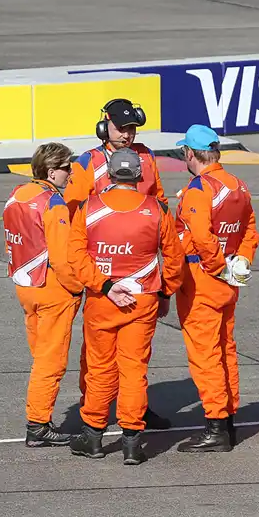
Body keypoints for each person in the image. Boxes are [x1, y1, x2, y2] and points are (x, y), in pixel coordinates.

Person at [66, 147, 185, 464]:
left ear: (109, 175)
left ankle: (93, 434)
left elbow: (76, 257)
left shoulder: (89, 208)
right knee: (134, 371)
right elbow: (174, 259)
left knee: (100, 369)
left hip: (102, 299)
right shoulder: (156, 209)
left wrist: (104, 285)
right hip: (143, 299)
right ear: (139, 175)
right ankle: (132, 439)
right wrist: (166, 293)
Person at [63, 97, 171, 430]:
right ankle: (90, 406)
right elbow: (72, 211)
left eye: (132, 128)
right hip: (100, 268)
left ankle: (133, 408)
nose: (126, 134)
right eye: (121, 128)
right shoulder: (88, 162)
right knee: (95, 351)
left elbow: (159, 199)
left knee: (136, 350)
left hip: (138, 266)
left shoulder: (146, 156)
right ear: (104, 126)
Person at [173, 124, 259, 453]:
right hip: (228, 280)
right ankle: (228, 419)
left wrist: (217, 267)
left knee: (205, 354)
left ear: (190, 153)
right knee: (225, 350)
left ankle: (215, 425)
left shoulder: (199, 189)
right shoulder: (237, 184)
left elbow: (201, 236)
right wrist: (241, 262)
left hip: (202, 279)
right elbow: (250, 228)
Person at [3, 142, 83, 447]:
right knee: (50, 361)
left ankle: (39, 418)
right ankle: (37, 424)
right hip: (52, 290)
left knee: (40, 356)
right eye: (66, 168)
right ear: (51, 171)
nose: (70, 173)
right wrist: (78, 287)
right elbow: (62, 259)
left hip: (24, 285)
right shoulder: (53, 203)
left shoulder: (17, 195)